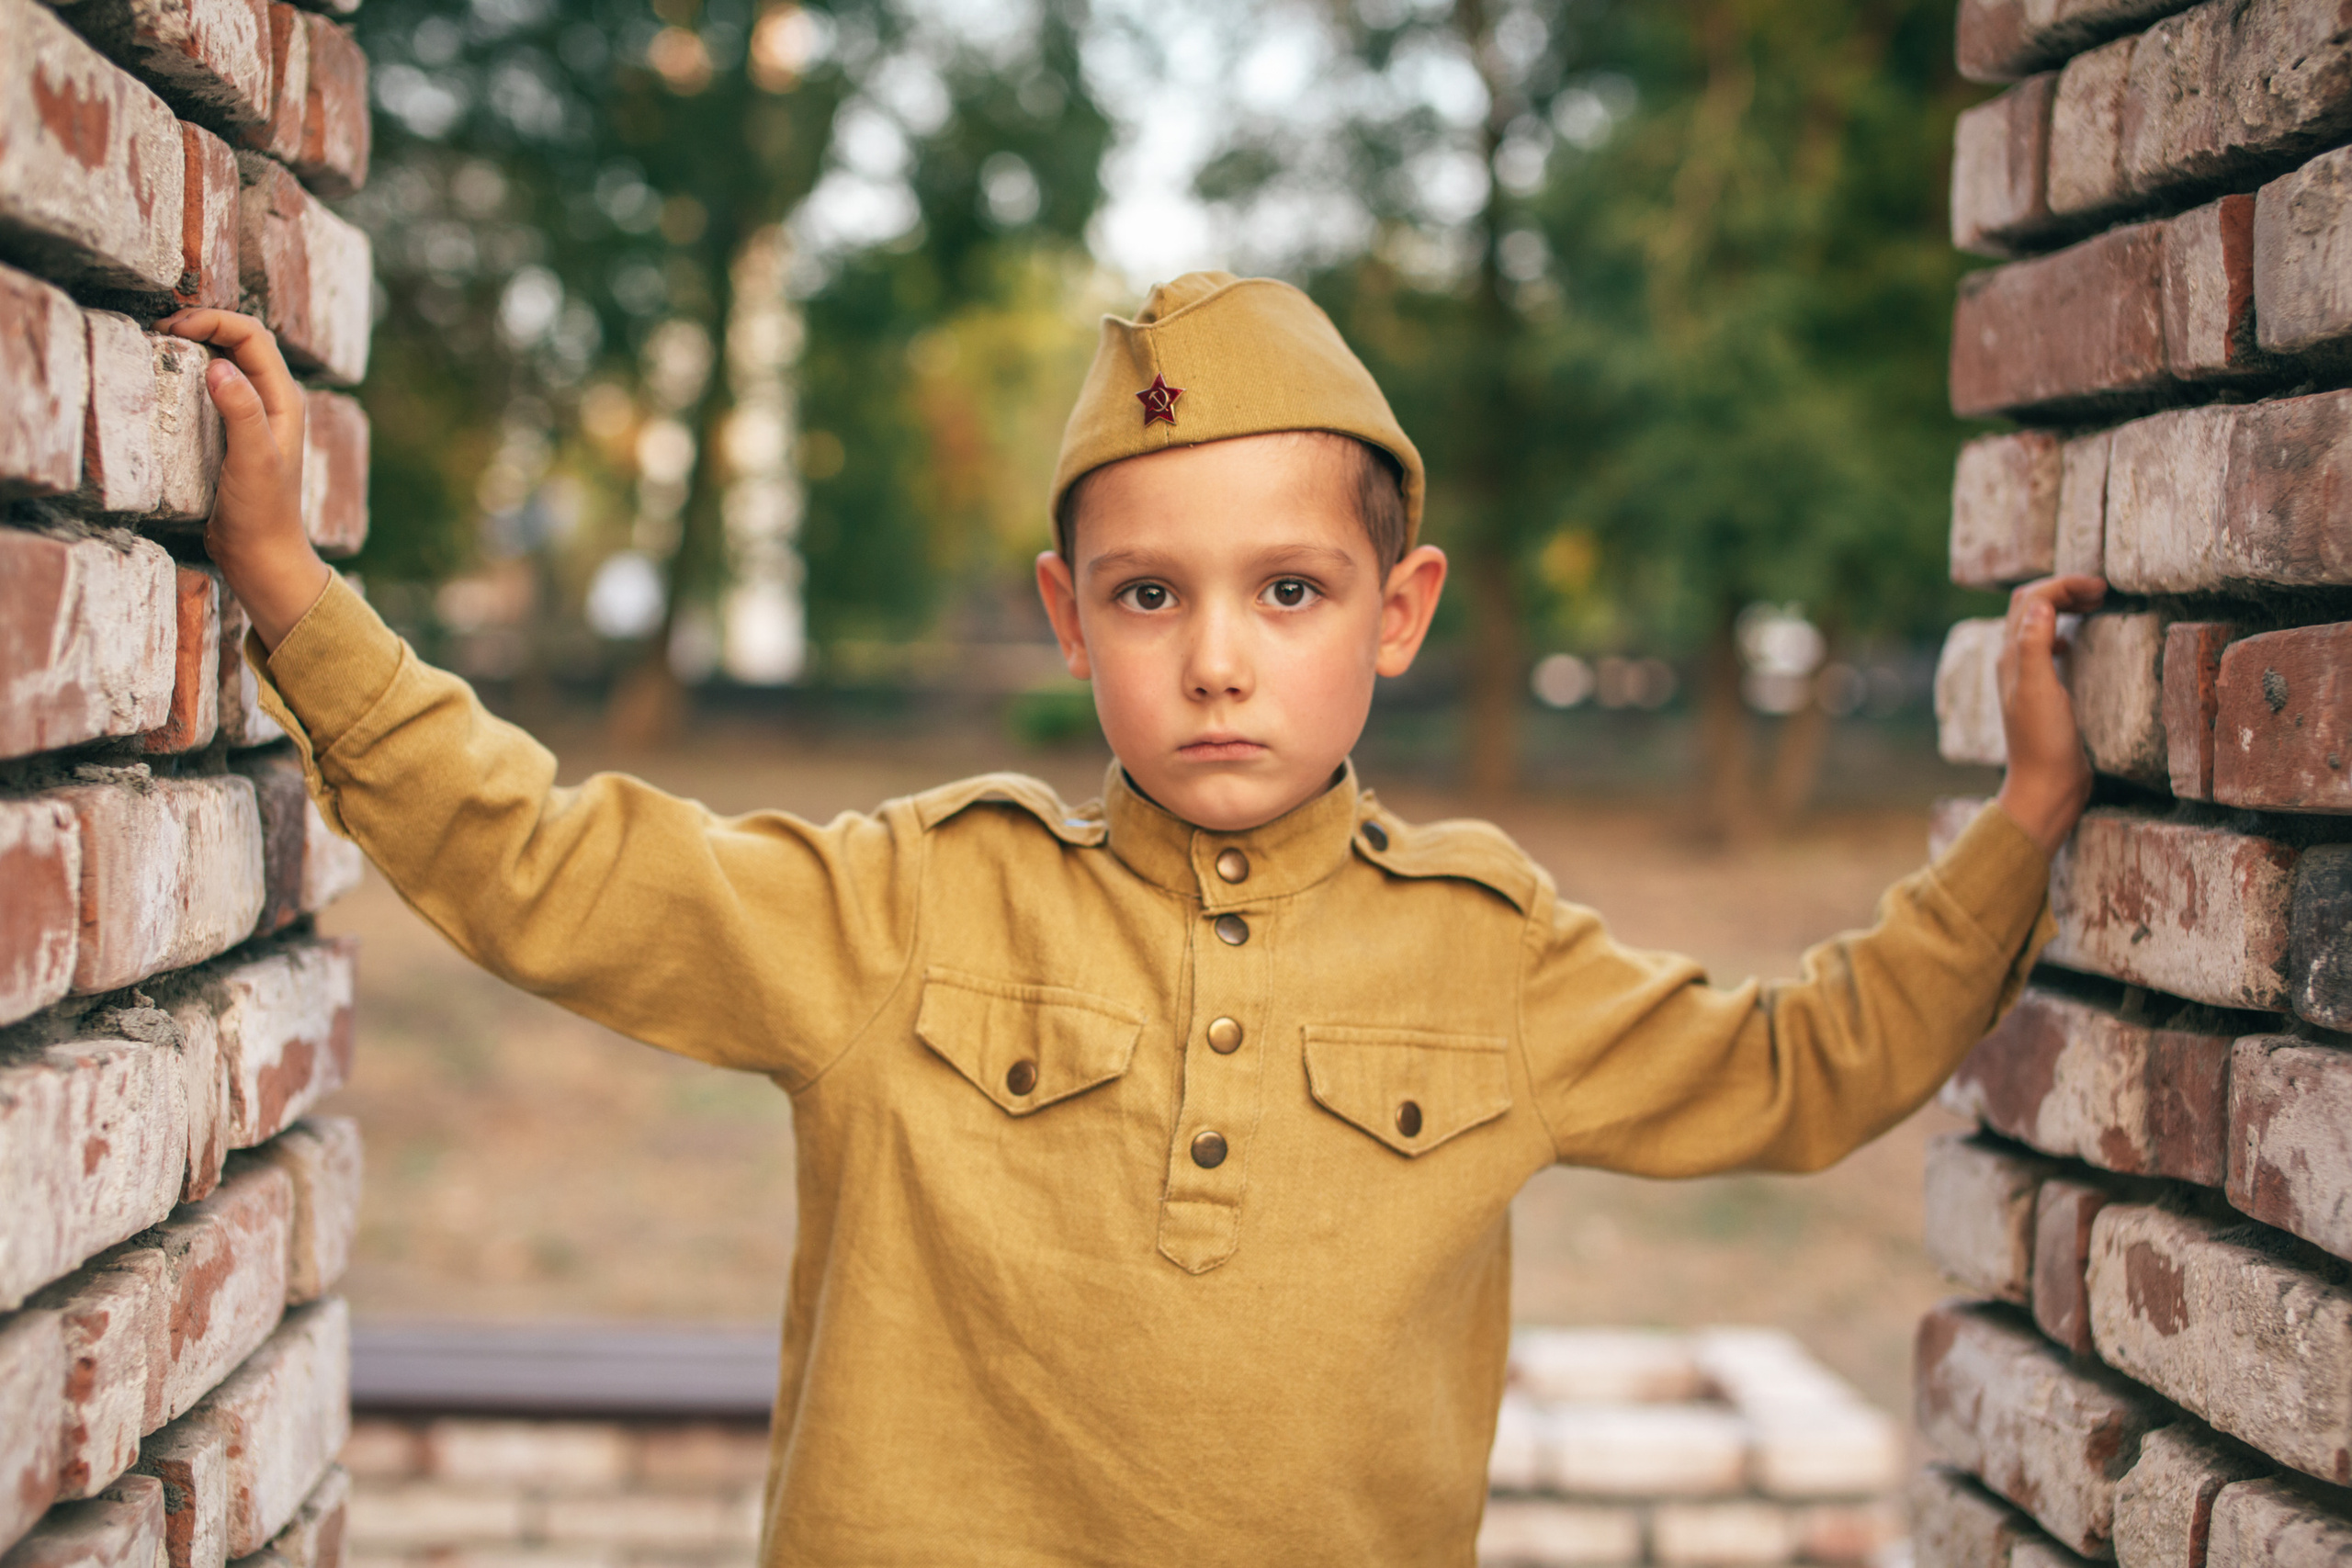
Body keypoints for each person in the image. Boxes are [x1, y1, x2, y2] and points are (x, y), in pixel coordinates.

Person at [161, 271, 2103, 1565]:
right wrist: (285, 591)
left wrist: (2021, 820)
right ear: (1065, 613)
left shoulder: (1486, 949)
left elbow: (1799, 1067)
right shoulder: (909, 899)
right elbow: (555, 866)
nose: (1218, 662)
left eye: (1287, 589)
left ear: (1396, 608)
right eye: (1151, 597)